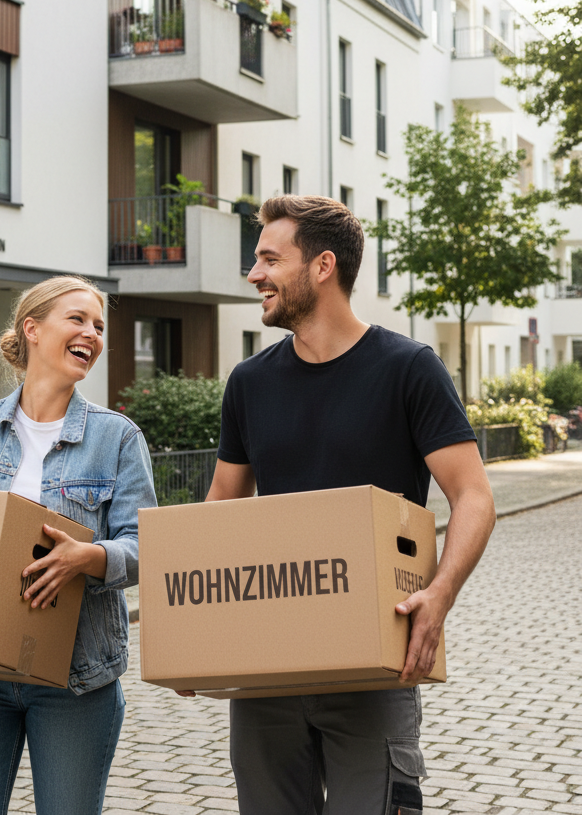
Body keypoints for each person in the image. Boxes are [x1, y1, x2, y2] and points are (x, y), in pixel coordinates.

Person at [191, 195, 496, 814]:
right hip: (267, 668)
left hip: (374, 665)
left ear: (323, 266)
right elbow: (220, 506)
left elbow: (473, 496)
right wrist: (196, 633)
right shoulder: (249, 383)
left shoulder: (409, 369)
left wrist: (438, 597)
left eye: (270, 260)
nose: (255, 275)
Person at [0, 274, 157, 815]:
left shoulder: (118, 438)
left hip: (75, 681)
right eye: (77, 319)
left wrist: (90, 557)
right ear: (32, 329)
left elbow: (146, 544)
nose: (92, 334)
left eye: (99, 326)